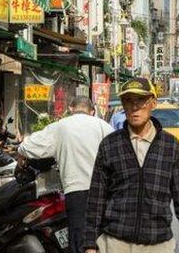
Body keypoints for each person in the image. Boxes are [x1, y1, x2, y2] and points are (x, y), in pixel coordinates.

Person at [83, 78, 179, 253]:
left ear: (153, 103)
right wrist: (90, 243)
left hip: (158, 243)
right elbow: (97, 196)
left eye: (141, 100)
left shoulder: (170, 145)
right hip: (115, 242)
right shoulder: (110, 144)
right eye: (129, 101)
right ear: (123, 105)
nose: (135, 107)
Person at [18, 97, 113, 253]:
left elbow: (28, 146)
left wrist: (20, 155)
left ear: (70, 109)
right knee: (102, 238)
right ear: (92, 111)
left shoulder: (61, 126)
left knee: (79, 239)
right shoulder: (104, 126)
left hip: (77, 192)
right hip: (105, 191)